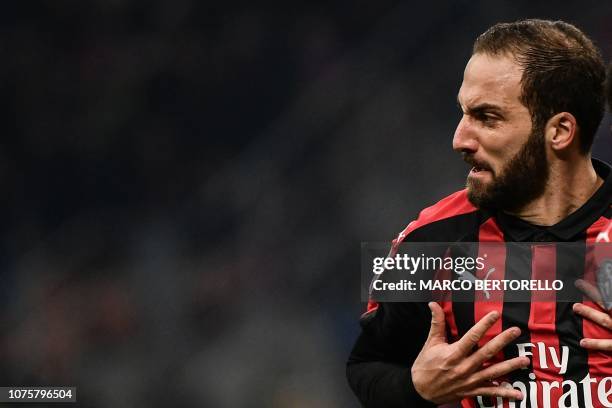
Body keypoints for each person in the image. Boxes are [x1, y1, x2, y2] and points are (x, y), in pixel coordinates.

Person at [347, 19, 610, 407]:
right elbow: (367, 366)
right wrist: (416, 389)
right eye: (463, 113)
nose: (460, 139)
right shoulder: (431, 240)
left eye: (487, 117)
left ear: (560, 131)